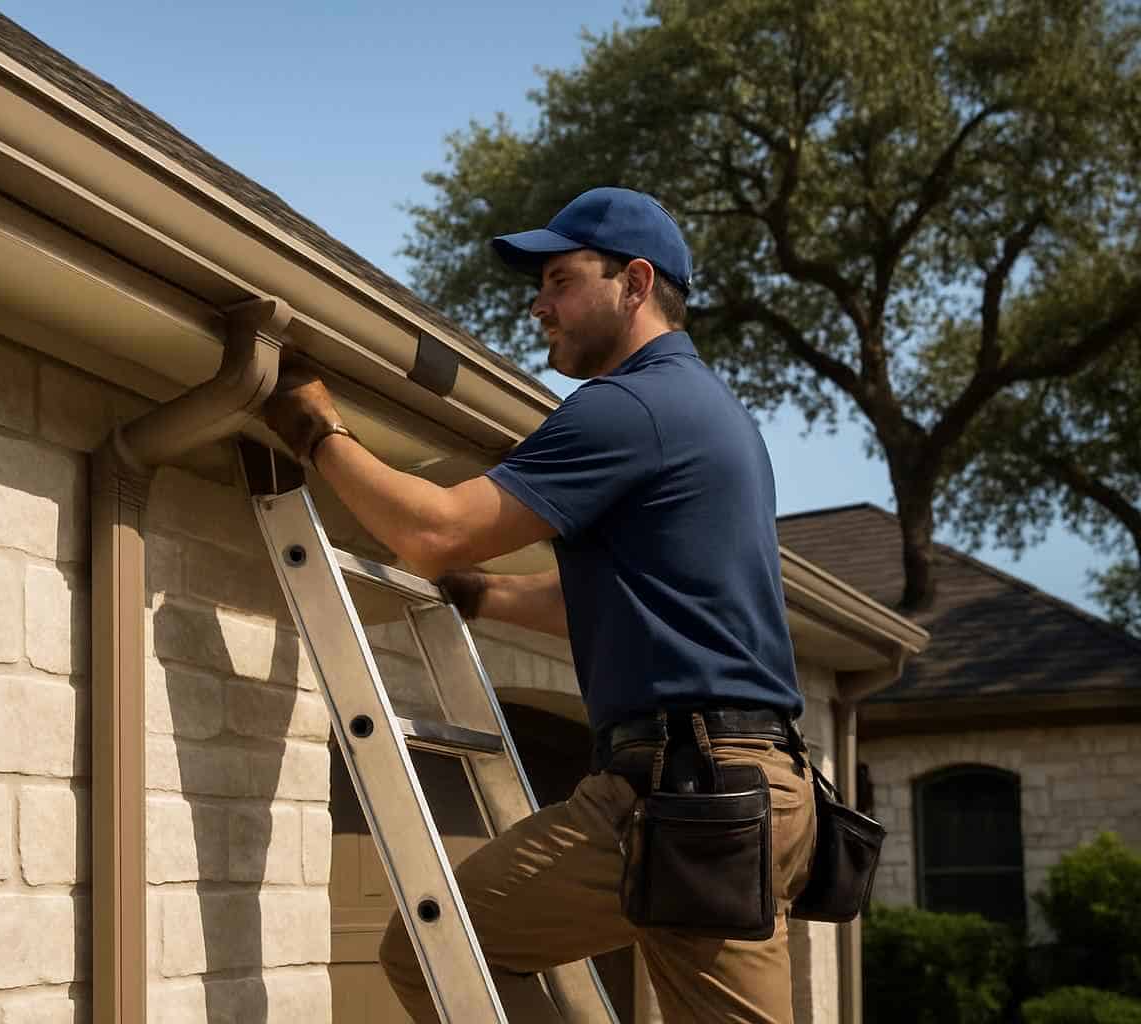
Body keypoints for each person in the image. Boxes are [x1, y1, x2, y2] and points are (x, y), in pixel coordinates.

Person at [262, 187, 815, 1024]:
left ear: (634, 283)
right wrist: (483, 598)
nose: (539, 302)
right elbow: (631, 598)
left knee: (431, 949)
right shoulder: (711, 414)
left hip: (684, 794)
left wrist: (316, 430)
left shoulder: (628, 407)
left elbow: (435, 530)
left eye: (560, 279)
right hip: (747, 789)